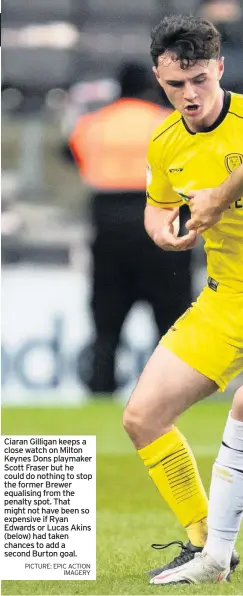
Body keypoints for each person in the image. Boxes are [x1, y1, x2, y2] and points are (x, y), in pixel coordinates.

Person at [123, 15, 243, 584]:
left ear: (220, 68)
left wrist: (223, 193)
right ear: (159, 78)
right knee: (142, 417)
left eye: (199, 79)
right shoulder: (164, 139)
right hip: (225, 301)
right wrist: (163, 232)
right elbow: (156, 205)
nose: (190, 95)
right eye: (176, 85)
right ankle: (206, 549)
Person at [70, 62, 193, 394]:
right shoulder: (168, 123)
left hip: (108, 228)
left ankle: (101, 389)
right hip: (162, 225)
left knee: (106, 326)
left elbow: (73, 156)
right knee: (172, 323)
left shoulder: (92, 124)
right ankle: (173, 394)